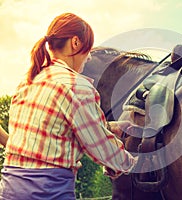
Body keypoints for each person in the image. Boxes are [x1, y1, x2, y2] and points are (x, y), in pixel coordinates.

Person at [0, 13, 137, 200]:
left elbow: (51, 132)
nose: (88, 58)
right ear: (75, 42)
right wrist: (134, 164)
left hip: (8, 191)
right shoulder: (76, 86)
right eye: (88, 50)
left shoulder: (27, 82)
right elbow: (101, 146)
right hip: (47, 193)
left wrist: (111, 127)